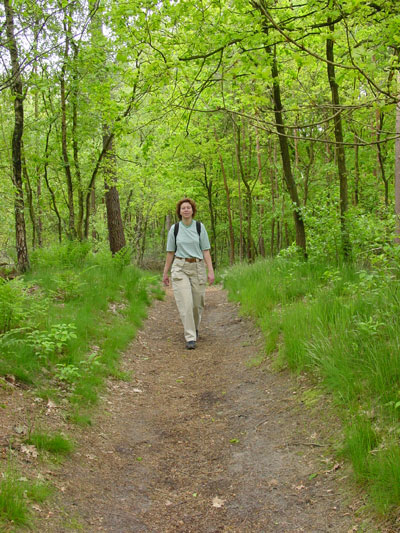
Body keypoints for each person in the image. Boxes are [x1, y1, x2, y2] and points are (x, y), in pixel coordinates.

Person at [163, 198, 215, 350]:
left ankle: (195, 327)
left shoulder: (200, 227)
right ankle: (190, 337)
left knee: (197, 303)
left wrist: (210, 271)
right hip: (180, 267)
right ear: (179, 212)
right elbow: (170, 252)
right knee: (186, 303)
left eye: (188, 207)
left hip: (198, 267)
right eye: (183, 208)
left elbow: (206, 250)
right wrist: (165, 273)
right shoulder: (175, 229)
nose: (186, 210)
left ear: (192, 210)